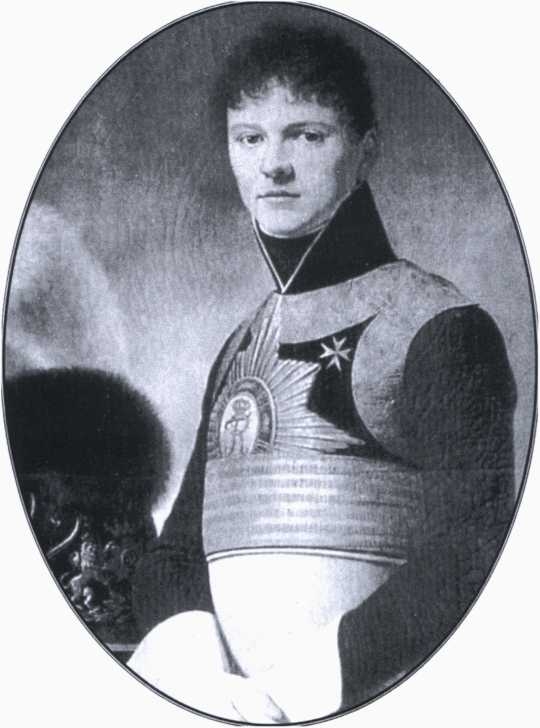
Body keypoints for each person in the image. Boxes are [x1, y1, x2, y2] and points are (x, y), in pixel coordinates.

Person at [128, 24, 516, 723]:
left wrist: (300, 693)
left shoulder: (439, 329)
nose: (273, 165)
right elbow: (176, 555)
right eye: (250, 138)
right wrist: (198, 682)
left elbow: (472, 552)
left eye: (307, 136)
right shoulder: (242, 343)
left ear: (365, 151)